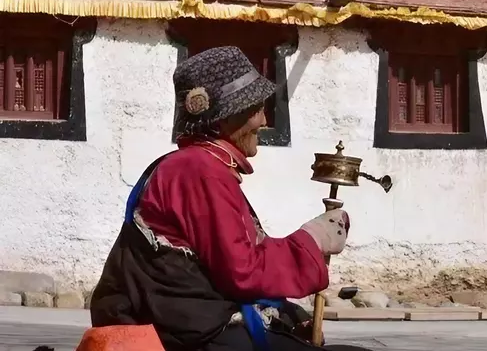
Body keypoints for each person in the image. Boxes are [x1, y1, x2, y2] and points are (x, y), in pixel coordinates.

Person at [89, 46, 369, 351]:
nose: (264, 120)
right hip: (193, 332)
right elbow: (241, 272)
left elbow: (239, 255)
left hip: (197, 322)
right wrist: (312, 241)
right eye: (255, 109)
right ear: (222, 119)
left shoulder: (201, 166)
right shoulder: (198, 170)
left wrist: (292, 307)